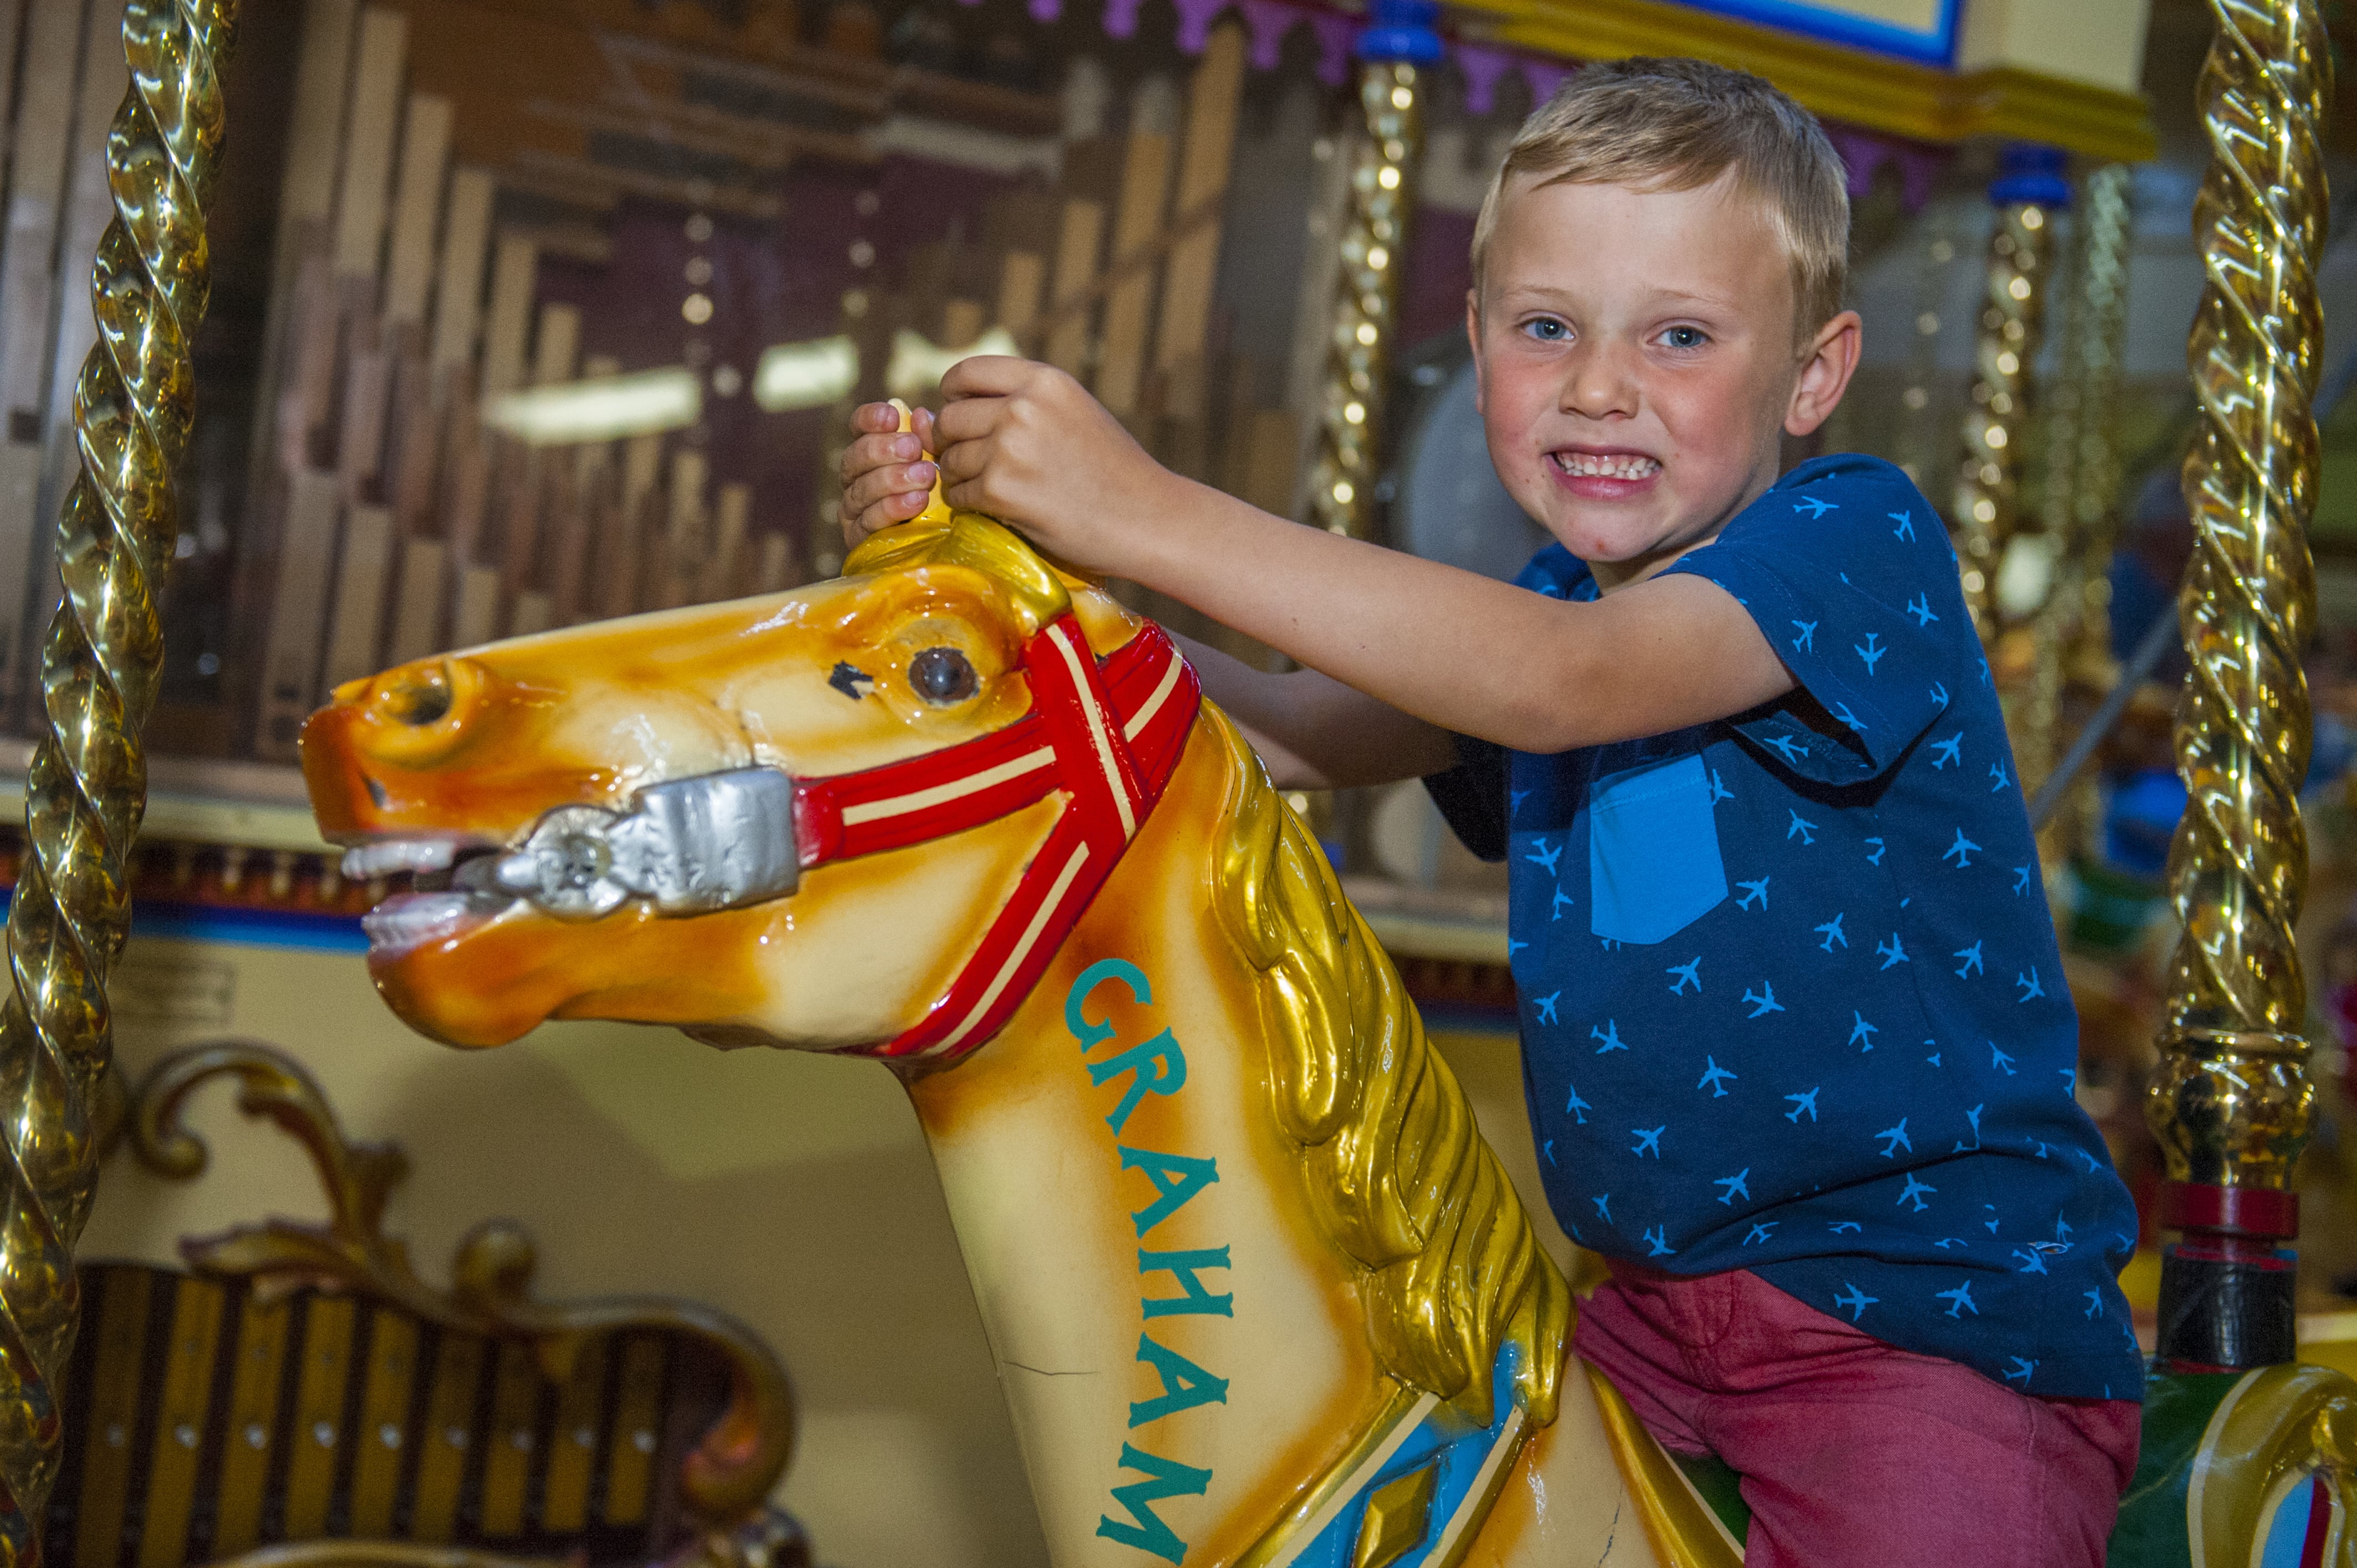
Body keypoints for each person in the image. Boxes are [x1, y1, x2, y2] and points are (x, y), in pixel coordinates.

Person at [837, 56, 2141, 1567]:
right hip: (1646, 1315)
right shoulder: (1543, 606)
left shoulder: (1850, 544)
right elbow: (1289, 732)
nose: (1600, 384)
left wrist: (1144, 509)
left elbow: (1561, 683)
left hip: (1927, 1332)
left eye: (1681, 336)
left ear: (1813, 372)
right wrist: (1015, 583)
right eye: (1545, 329)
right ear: (1475, 347)